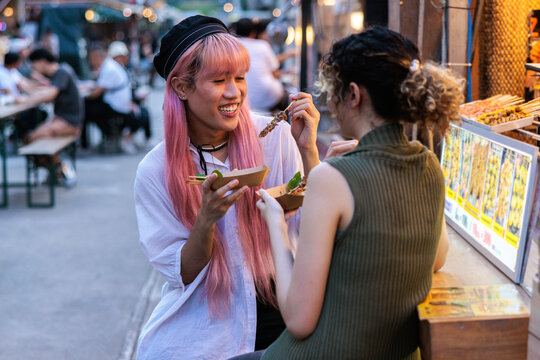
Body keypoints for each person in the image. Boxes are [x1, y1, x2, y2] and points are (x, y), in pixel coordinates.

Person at [237, 26, 460, 359]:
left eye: (332, 90)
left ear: (353, 94)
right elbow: (437, 258)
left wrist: (275, 224)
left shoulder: (332, 177)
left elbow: (298, 320)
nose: (329, 101)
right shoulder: (428, 163)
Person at [134, 15, 322, 360]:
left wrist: (309, 151)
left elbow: (311, 224)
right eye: (219, 80)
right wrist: (206, 219)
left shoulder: (275, 136)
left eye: (239, 77)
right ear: (181, 88)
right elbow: (184, 273)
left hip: (282, 306)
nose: (234, 92)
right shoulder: (156, 170)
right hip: (207, 316)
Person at [27, 48, 83, 185]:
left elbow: (50, 95)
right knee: (29, 140)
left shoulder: (61, 72)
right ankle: (56, 169)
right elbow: (47, 92)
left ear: (42, 61)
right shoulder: (61, 71)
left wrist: (26, 100)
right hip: (63, 120)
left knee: (32, 138)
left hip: (70, 123)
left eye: (34, 63)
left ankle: (60, 168)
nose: (33, 67)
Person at [82, 43, 132, 150]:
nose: (90, 62)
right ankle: (107, 135)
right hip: (116, 102)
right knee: (90, 108)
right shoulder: (108, 65)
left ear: (96, 57)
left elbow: (96, 93)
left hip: (117, 105)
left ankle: (107, 135)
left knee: (87, 111)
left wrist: (83, 95)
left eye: (91, 58)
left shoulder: (108, 67)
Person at [235, 18, 287, 112]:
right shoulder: (262, 45)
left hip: (243, 98)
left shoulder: (233, 46)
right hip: (269, 96)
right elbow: (274, 73)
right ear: (253, 33)